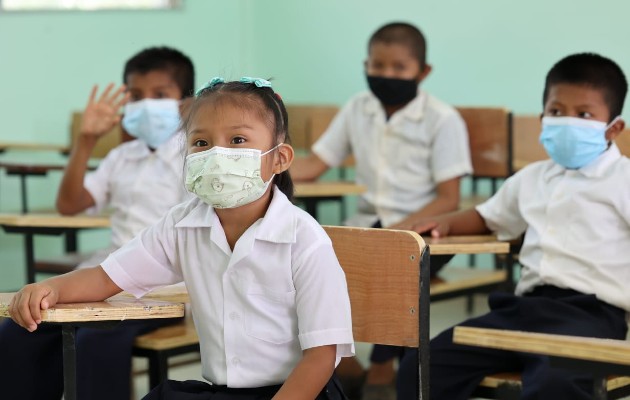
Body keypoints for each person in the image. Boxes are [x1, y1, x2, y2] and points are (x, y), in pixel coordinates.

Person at [9, 77, 355, 400]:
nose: (216, 154)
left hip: (300, 390)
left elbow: (321, 358)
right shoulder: (182, 225)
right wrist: (51, 288)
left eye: (237, 140)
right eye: (201, 142)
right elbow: (106, 278)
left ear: (279, 158)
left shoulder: (305, 240)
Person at [396, 52, 630, 400]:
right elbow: (488, 216)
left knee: (554, 386)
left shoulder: (623, 179)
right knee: (422, 367)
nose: (566, 121)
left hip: (589, 319)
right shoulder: (532, 178)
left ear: (613, 127)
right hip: (523, 310)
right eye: (556, 112)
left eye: (583, 114)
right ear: (542, 118)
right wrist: (445, 222)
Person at [0, 46, 195, 400]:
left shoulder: (195, 154)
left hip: (164, 284)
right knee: (19, 328)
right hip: (104, 275)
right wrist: (87, 140)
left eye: (160, 95)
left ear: (185, 103)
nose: (146, 104)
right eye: (135, 96)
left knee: (95, 338)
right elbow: (70, 205)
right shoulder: (122, 155)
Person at [292, 22, 473, 399]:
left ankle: (380, 368)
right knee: (308, 268)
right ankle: (346, 364)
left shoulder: (443, 119)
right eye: (378, 66)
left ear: (423, 72)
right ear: (366, 65)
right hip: (368, 224)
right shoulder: (358, 108)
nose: (386, 75)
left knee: (396, 268)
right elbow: (314, 164)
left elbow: (449, 199)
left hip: (427, 229)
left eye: (398, 68)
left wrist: (404, 228)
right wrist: (263, 163)